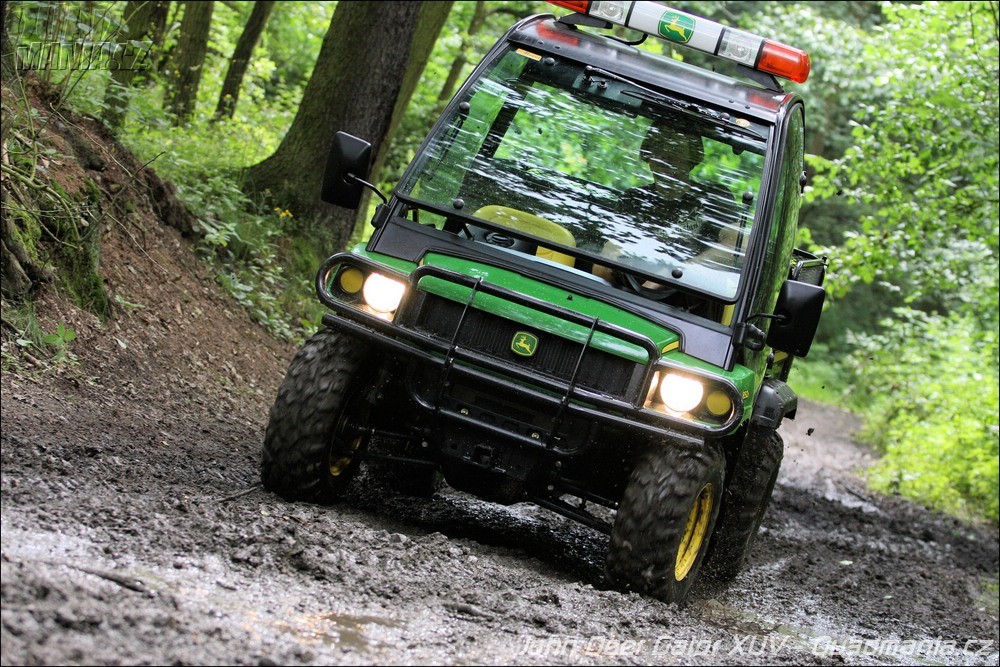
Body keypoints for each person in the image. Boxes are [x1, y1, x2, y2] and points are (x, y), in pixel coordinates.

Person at [593, 120, 740, 289]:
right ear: (648, 156)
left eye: (675, 148)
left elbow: (736, 246)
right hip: (632, 294)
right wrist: (607, 266)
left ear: (692, 158)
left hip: (692, 296)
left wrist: (675, 274)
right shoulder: (633, 199)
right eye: (658, 147)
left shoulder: (713, 197)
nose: (665, 156)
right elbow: (604, 263)